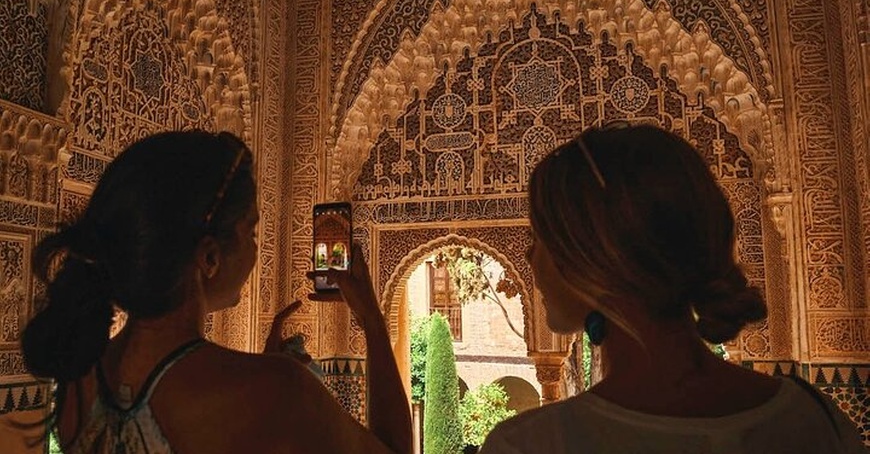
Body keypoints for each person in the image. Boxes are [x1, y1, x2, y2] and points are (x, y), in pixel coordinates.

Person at [480, 124, 866, 453]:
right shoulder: (817, 421)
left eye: (540, 237)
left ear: (593, 253)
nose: (530, 257)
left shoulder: (531, 445)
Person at [21, 130, 411, 454]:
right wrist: (372, 323)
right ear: (209, 257)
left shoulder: (79, 378)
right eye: (251, 231)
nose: (257, 248)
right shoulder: (280, 390)